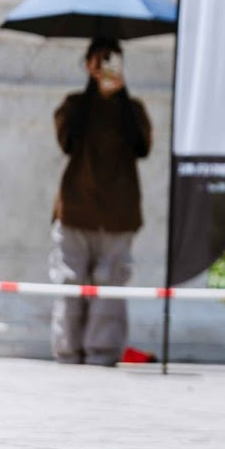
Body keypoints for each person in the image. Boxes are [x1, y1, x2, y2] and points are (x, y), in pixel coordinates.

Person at [50, 38, 153, 366]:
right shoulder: (75, 104)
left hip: (119, 213)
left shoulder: (132, 109)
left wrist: (118, 97)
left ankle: (102, 353)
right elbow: (67, 141)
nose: (105, 67)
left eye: (112, 60)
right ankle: (68, 352)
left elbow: (142, 146)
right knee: (70, 282)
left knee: (110, 285)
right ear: (87, 65)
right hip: (75, 208)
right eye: (98, 61)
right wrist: (95, 94)